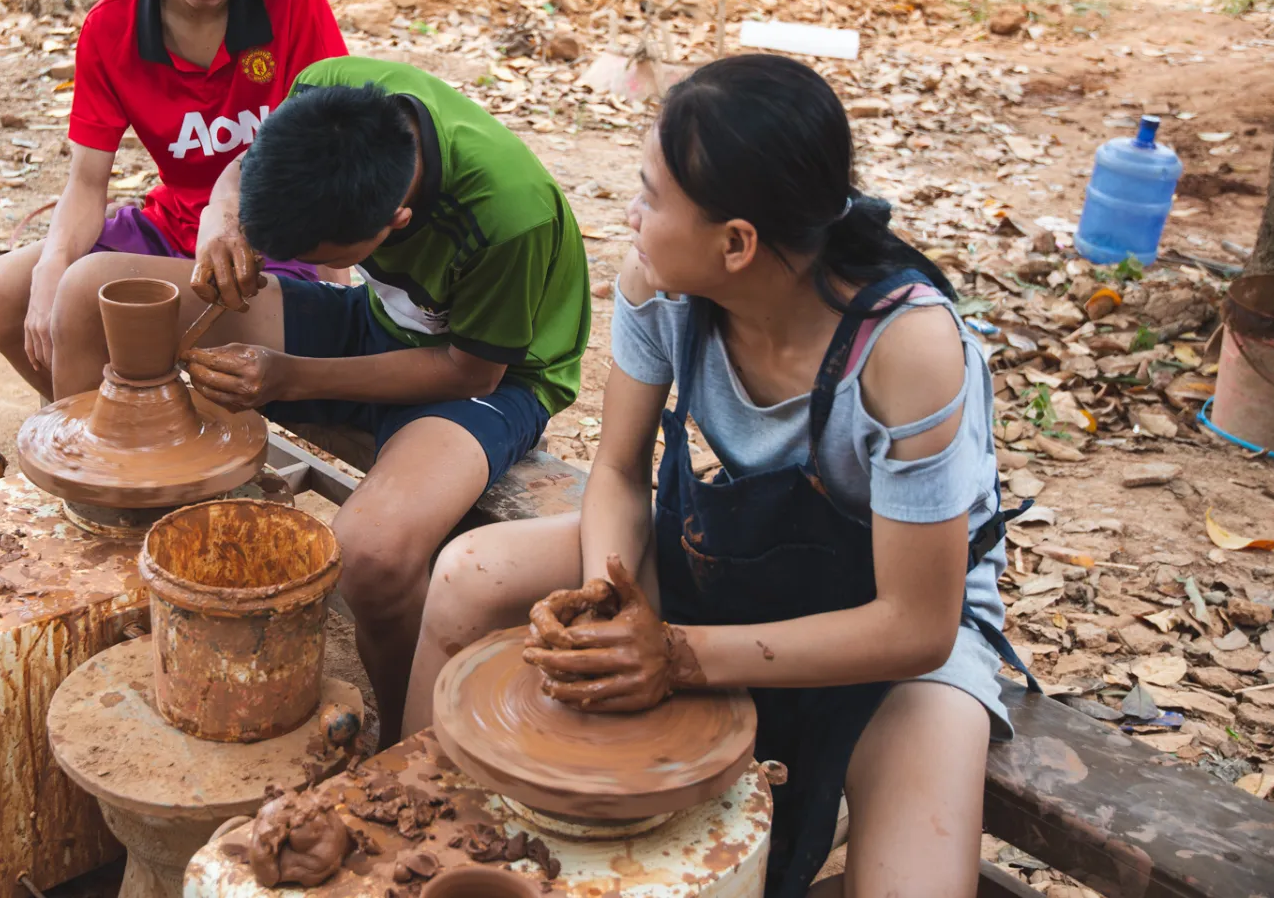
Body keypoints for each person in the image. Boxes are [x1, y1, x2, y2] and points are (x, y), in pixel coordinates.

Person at [405, 55, 1036, 898]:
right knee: (467, 574)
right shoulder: (661, 284)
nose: (630, 215)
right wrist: (613, 607)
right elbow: (621, 476)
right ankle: (410, 826)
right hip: (737, 559)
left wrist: (674, 656)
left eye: (651, 196)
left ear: (737, 242)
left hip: (896, 619)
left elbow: (917, 622)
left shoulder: (906, 350)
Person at [48, 56, 591, 745]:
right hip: (375, 318)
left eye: (313, 250)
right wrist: (223, 222)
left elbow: (468, 372)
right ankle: (107, 588)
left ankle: (403, 740)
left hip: (492, 376)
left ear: (396, 221)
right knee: (86, 292)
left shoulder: (510, 214)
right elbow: (242, 169)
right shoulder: (327, 91)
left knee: (371, 554)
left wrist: (291, 378)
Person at [0, 0, 348, 401]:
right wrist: (49, 266)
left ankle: (118, 466)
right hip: (167, 233)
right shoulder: (110, 26)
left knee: (86, 289)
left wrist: (339, 299)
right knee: (2, 292)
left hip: (277, 259)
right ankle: (117, 447)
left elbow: (331, 150)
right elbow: (86, 183)